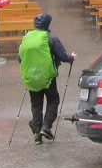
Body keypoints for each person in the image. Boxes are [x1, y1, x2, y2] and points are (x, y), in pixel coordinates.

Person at [17, 13, 75, 145]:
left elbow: (20, 58)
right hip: (47, 77)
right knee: (53, 99)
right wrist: (72, 57)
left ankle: (37, 133)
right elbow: (63, 56)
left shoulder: (27, 38)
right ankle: (46, 127)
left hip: (31, 77)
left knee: (36, 104)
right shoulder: (51, 38)